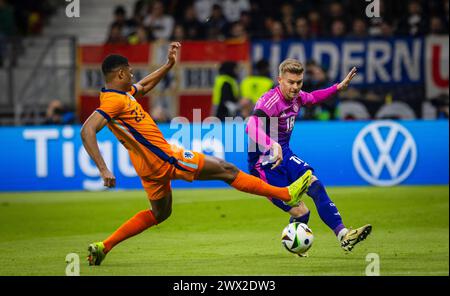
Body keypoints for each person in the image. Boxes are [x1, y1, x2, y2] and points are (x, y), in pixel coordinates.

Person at [81, 43, 311, 266]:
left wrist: (168, 65)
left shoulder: (121, 95)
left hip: (147, 167)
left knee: (160, 214)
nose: (132, 72)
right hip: (164, 158)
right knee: (226, 170)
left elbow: (144, 85)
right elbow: (87, 129)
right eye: (129, 69)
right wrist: (103, 168)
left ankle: (104, 246)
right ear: (120, 73)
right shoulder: (113, 102)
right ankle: (284, 193)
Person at [245, 59, 372, 255]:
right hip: (264, 164)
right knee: (302, 213)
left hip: (285, 155)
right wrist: (272, 144)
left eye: (299, 82)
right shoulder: (270, 101)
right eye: (291, 82)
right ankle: (294, 244)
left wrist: (338, 87)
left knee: (315, 184)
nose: (295, 87)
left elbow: (313, 97)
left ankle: (344, 235)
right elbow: (250, 127)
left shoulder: (297, 97)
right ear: (280, 80)